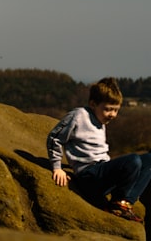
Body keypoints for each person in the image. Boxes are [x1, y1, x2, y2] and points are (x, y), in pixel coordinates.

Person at [46, 77, 151, 222]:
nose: (112, 115)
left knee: (148, 160)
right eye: (108, 109)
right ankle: (118, 203)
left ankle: (125, 203)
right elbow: (54, 137)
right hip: (89, 176)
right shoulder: (79, 115)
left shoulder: (100, 119)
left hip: (103, 172)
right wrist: (56, 167)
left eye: (116, 110)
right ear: (93, 104)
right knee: (133, 160)